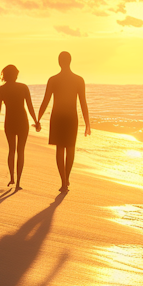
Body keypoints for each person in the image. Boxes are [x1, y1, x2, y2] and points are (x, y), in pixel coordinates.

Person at [37, 51, 91, 192]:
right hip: (71, 117)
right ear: (70, 61)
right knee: (71, 148)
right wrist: (87, 123)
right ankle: (67, 178)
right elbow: (83, 103)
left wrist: (38, 118)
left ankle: (63, 181)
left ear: (59, 62)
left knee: (60, 149)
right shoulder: (79, 80)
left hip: (57, 117)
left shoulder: (53, 80)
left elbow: (45, 101)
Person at [0, 64, 39, 189]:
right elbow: (30, 106)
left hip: (9, 122)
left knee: (12, 150)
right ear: (15, 74)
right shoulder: (23, 87)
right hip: (23, 122)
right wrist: (36, 121)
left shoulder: (1, 90)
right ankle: (18, 181)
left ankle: (12, 178)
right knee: (20, 151)